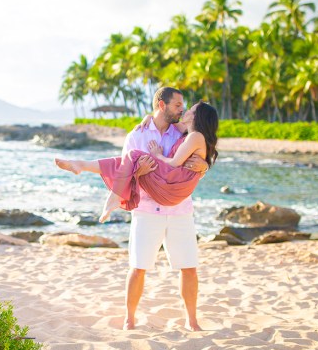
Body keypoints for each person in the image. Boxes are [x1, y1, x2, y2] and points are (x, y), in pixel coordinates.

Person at [57, 87, 214, 331]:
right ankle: (130, 319)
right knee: (138, 267)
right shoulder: (136, 135)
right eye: (177, 105)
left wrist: (204, 167)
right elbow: (124, 172)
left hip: (179, 210)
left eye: (184, 106)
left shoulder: (184, 132)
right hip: (147, 209)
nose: (182, 109)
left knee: (189, 267)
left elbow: (192, 167)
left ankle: (192, 321)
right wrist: (138, 173)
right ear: (161, 105)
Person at [54, 100, 218, 222]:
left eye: (191, 109)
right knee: (130, 160)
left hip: (173, 184)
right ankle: (82, 166)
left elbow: (174, 163)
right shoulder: (188, 132)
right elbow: (168, 121)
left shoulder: (195, 136)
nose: (185, 110)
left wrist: (157, 154)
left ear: (197, 117)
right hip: (172, 184)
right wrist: (149, 117)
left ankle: (113, 194)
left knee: (133, 156)